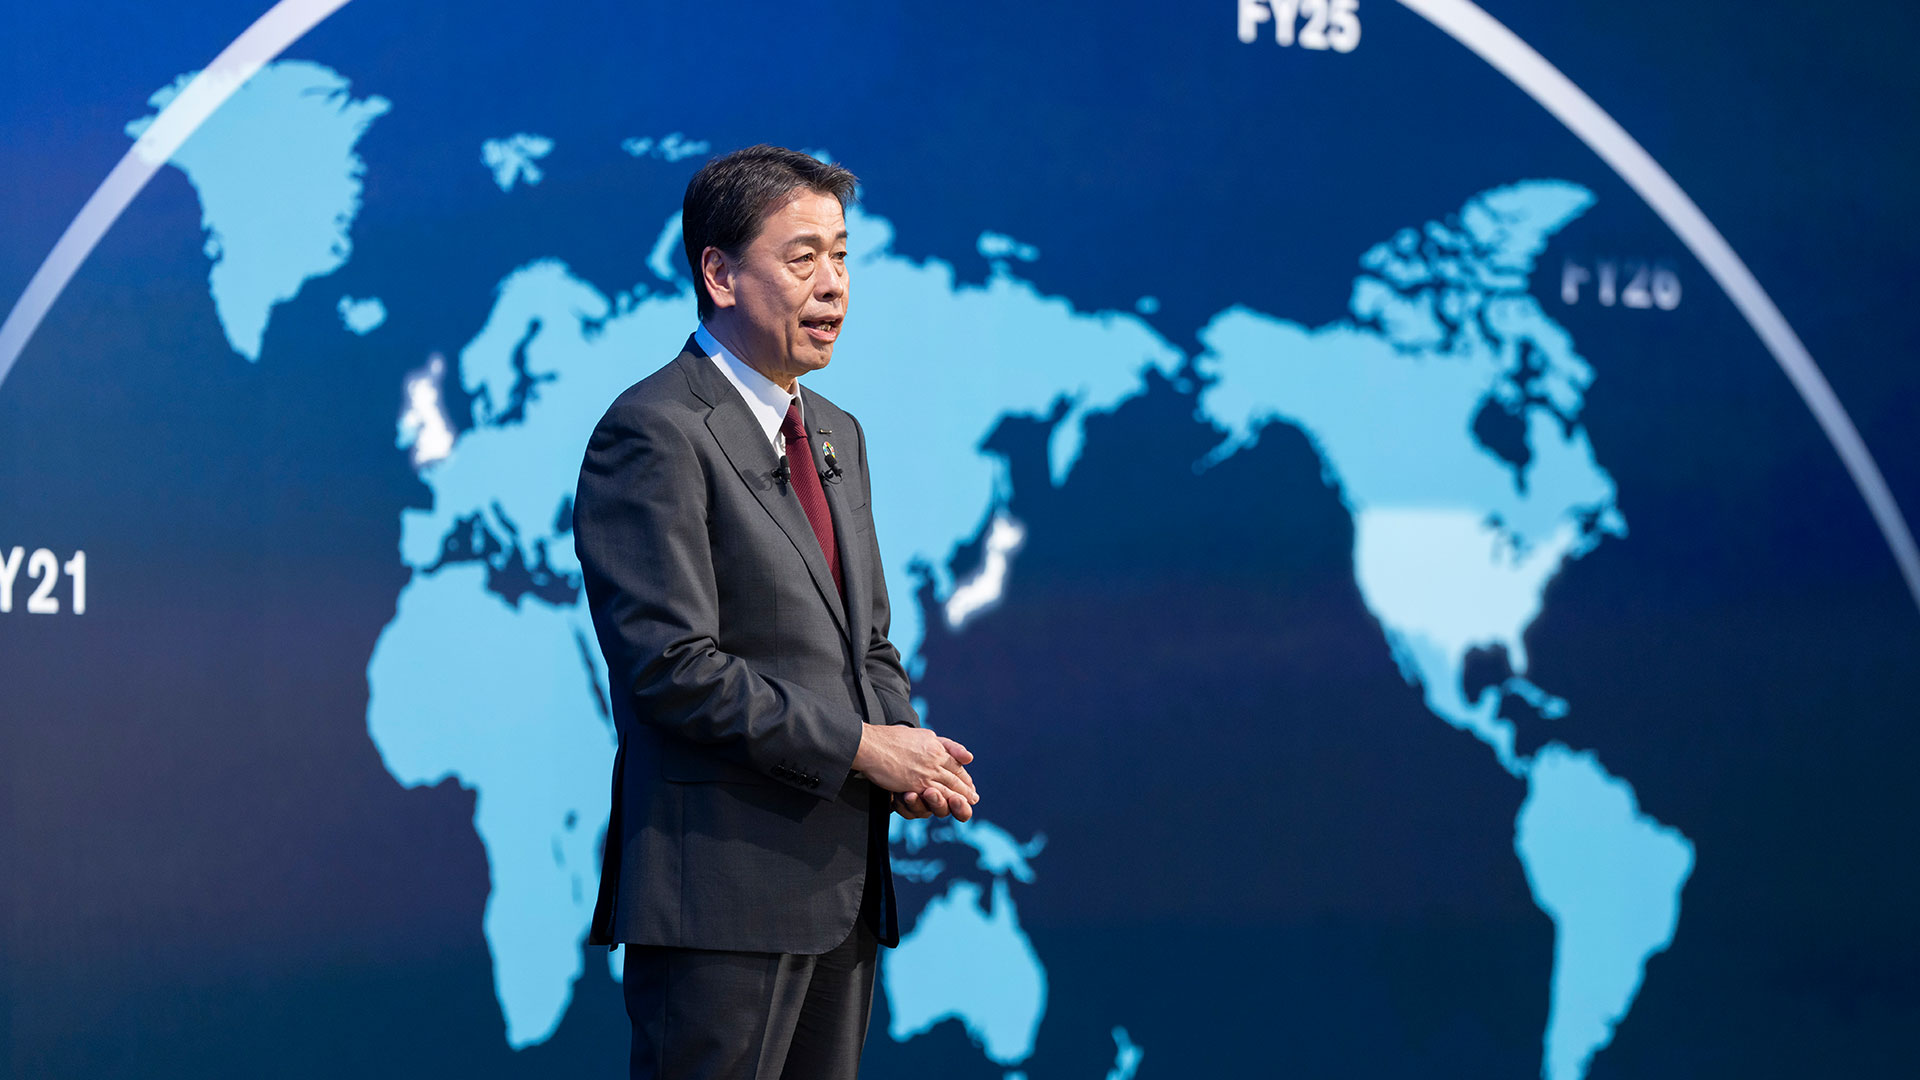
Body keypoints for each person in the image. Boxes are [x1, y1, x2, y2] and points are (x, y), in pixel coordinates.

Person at [573, 144, 981, 1080]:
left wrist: (903, 749)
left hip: (839, 880)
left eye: (842, 257)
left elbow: (864, 641)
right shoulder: (655, 431)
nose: (833, 285)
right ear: (718, 272)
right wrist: (859, 748)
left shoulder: (836, 431)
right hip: (719, 895)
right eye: (803, 259)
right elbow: (672, 668)